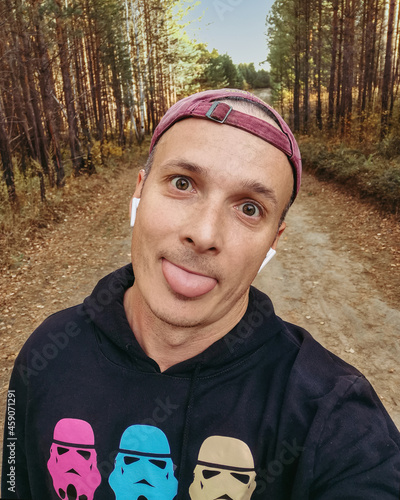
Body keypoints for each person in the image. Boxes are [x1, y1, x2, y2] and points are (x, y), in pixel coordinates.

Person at [1, 88, 399, 500]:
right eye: (182, 183)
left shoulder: (332, 414)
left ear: (273, 241)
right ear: (139, 193)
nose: (204, 234)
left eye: (249, 208)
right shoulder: (47, 356)